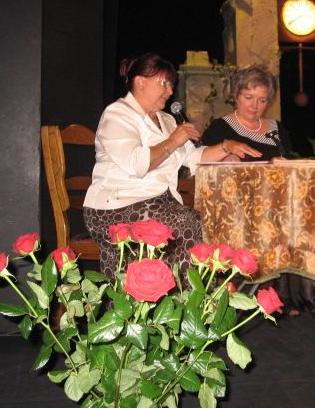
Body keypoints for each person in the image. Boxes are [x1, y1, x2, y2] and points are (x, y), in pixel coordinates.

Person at [83, 53, 260, 283]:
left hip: (159, 203)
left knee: (208, 222)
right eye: (164, 84)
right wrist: (174, 140)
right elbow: (138, 164)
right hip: (116, 206)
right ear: (140, 82)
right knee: (186, 223)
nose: (170, 91)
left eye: (171, 85)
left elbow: (193, 157)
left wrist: (226, 147)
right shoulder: (117, 115)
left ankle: (191, 296)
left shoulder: (166, 120)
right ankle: (188, 296)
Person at [202, 64, 315, 320]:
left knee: (311, 216)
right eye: (248, 97)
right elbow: (206, 171)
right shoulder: (220, 128)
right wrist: (226, 159)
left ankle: (307, 291)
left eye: (262, 100)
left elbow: (289, 163)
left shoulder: (274, 128)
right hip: (244, 208)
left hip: (281, 202)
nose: (255, 105)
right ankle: (280, 292)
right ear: (236, 95)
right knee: (279, 221)